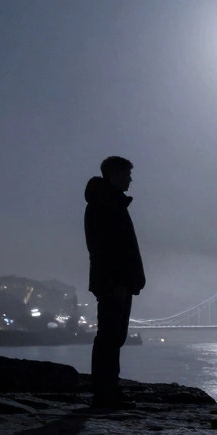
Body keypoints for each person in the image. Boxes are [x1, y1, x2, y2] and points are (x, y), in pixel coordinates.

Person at [84, 155, 146, 409]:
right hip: (113, 282)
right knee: (109, 336)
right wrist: (119, 280)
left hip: (118, 281)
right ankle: (105, 394)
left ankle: (110, 389)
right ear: (115, 175)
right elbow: (104, 248)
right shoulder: (104, 205)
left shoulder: (111, 204)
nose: (131, 179)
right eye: (127, 174)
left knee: (114, 336)